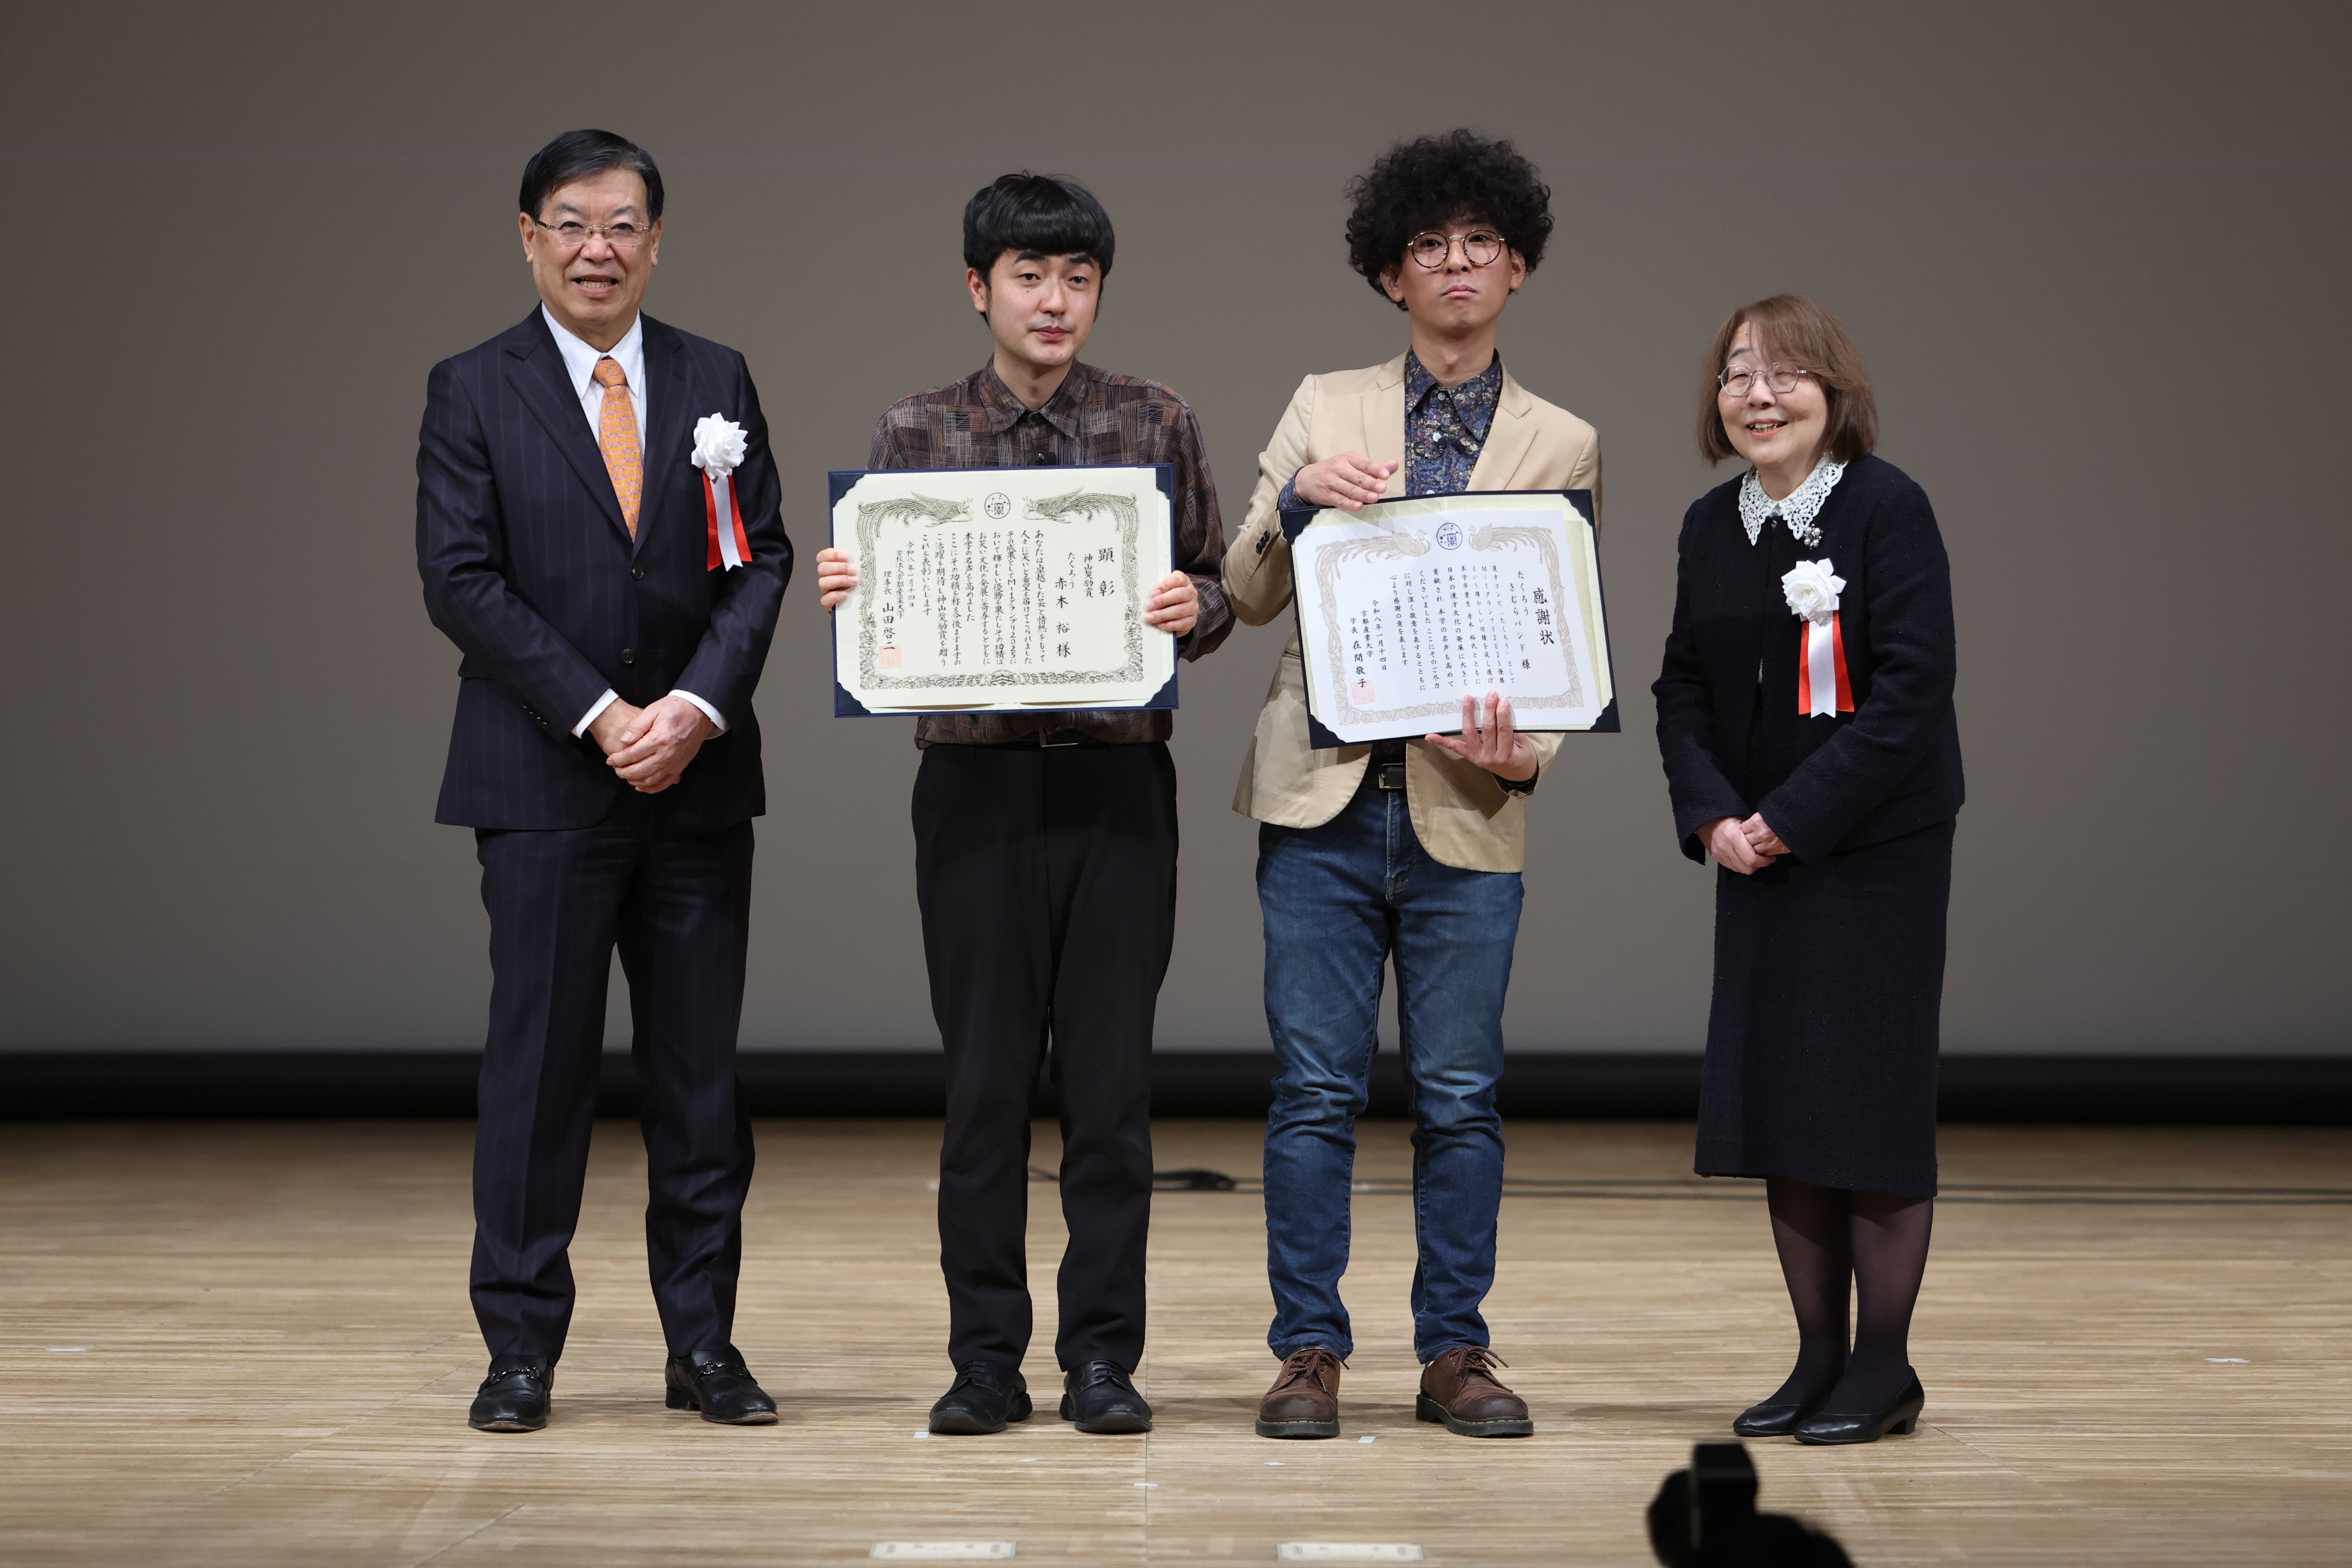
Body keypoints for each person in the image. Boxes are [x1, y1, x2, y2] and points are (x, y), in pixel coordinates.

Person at [813, 173, 1231, 1436]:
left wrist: (1195, 608)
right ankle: (984, 1362)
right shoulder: (915, 430)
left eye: (1077, 279)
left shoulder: (1154, 417)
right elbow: (887, 618)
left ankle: (1101, 1359)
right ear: (977, 288)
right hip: (975, 790)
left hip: (1116, 789)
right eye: (1029, 277)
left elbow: (1215, 584)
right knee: (984, 1090)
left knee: (1110, 1094)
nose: (1054, 301)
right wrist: (855, 596)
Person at [1221, 130, 1599, 1440]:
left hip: (1466, 805)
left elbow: (1562, 628)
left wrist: (1527, 757)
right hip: (1319, 799)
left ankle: (1454, 1353)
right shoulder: (1323, 405)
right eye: (1428, 247)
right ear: (1390, 274)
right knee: (1312, 1094)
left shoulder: (1562, 438)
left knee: (1458, 1099)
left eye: (1479, 244)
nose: (1455, 264)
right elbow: (1243, 592)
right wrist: (1294, 500)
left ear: (1515, 267)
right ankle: (1306, 1352)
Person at [416, 129, 791, 1433]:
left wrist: (693, 708)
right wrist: (601, 713)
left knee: (700, 1085)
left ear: (656, 240)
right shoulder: (473, 387)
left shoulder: (714, 376)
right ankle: (520, 1350)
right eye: (571, 224)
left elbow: (760, 561)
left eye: (623, 224)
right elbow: (460, 579)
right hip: (541, 783)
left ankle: (704, 1345)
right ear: (527, 238)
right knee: (537, 1077)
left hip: (697, 781)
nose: (597, 249)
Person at [1652, 294, 1963, 1445]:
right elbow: (1681, 687)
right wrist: (1711, 819)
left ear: (1832, 391)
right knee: (1783, 1104)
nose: (1757, 394)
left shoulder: (1886, 506)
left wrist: (1788, 818)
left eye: (1783, 374)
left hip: (1874, 852)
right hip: (1755, 855)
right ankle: (1816, 1359)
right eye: (1736, 374)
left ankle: (1883, 1368)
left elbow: (1912, 691)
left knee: (1866, 1105)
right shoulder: (1709, 524)